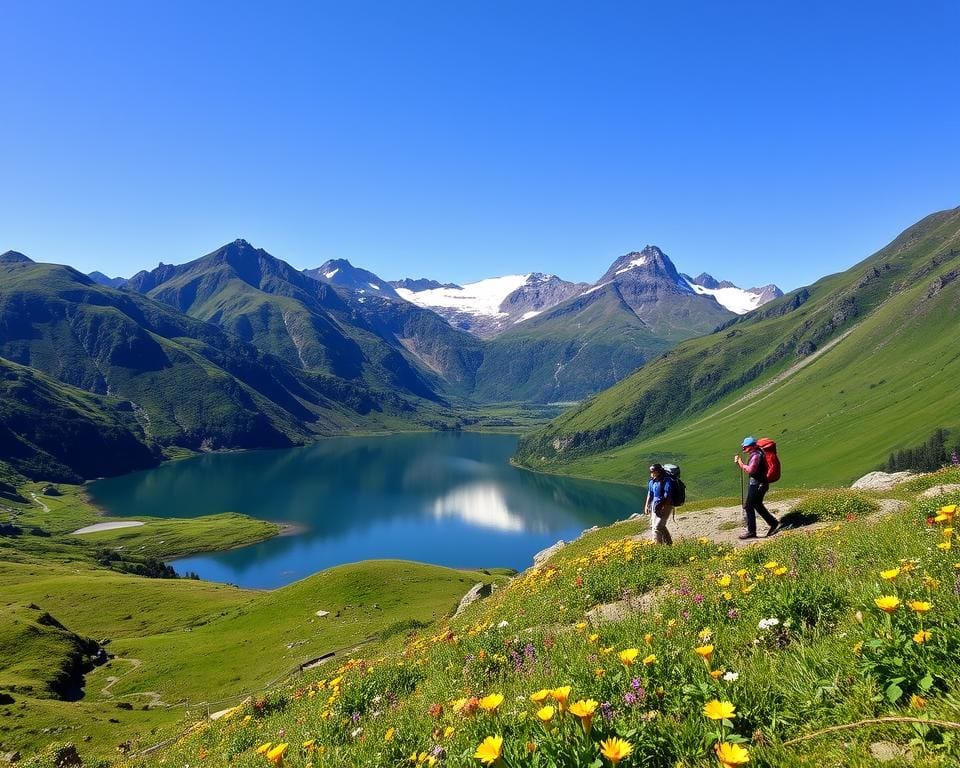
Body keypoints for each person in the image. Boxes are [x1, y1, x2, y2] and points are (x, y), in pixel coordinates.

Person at [734, 436, 780, 540]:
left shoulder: (756, 456)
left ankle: (751, 531)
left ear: (751, 447)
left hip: (757, 484)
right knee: (757, 504)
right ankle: (773, 523)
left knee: (748, 506)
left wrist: (740, 464)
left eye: (745, 447)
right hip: (761, 483)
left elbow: (751, 470)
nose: (744, 449)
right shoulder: (758, 453)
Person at [644, 463, 674, 545]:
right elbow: (650, 493)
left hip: (665, 506)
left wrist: (663, 506)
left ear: (659, 472)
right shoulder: (652, 481)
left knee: (658, 526)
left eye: (653, 472)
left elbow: (668, 494)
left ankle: (658, 545)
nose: (652, 473)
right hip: (655, 505)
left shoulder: (666, 481)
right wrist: (647, 505)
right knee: (655, 526)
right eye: (651, 472)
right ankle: (668, 543)